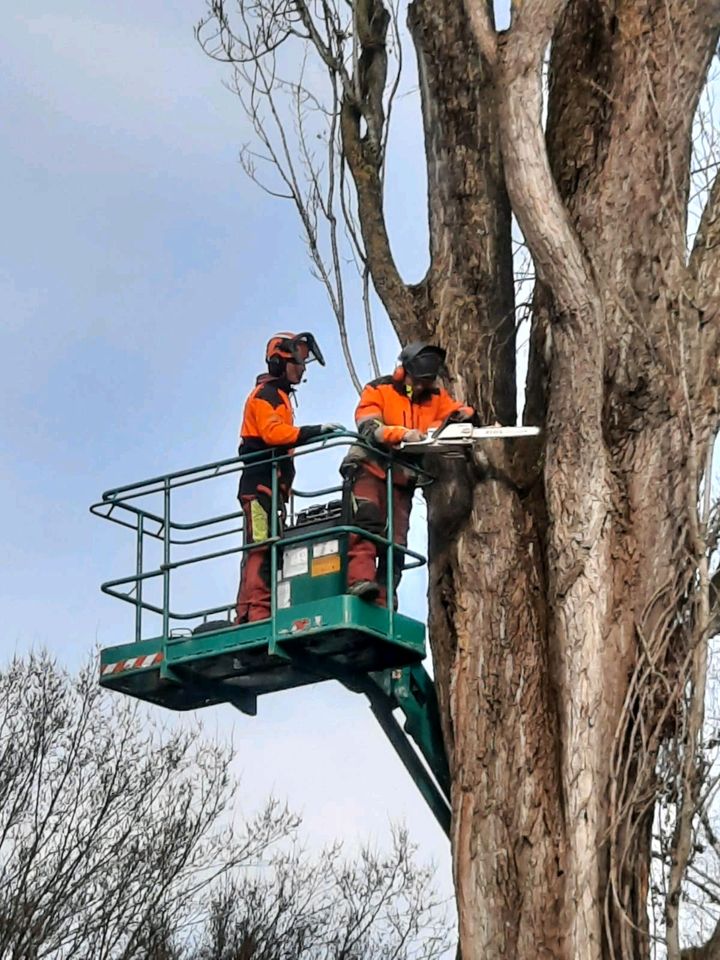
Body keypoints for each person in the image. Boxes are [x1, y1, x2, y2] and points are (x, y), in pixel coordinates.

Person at [341, 341, 474, 607]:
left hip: (402, 477)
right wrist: (401, 434)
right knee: (366, 522)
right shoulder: (378, 390)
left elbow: (454, 410)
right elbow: (370, 427)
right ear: (404, 372)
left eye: (427, 381)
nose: (423, 386)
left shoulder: (434, 397)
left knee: (397, 540)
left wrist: (464, 418)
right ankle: (359, 580)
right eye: (419, 381)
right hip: (370, 466)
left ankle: (384, 593)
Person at [235, 331, 342, 623]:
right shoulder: (266, 396)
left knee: (269, 544)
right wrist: (314, 431)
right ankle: (255, 614)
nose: (304, 367)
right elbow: (273, 434)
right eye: (299, 361)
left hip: (271, 488)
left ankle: (258, 609)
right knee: (260, 546)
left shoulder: (280, 396)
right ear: (280, 362)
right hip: (258, 487)